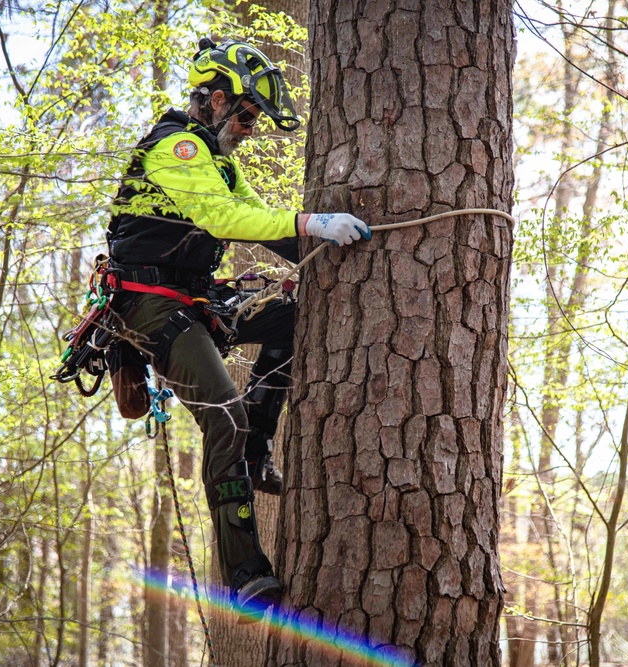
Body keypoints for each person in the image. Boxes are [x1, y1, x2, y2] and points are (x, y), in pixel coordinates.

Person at [105, 37, 370, 612]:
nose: (250, 128)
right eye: (247, 115)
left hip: (195, 300)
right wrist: (313, 220)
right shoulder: (175, 147)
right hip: (151, 308)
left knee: (293, 322)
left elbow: (258, 219)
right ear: (218, 100)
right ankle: (245, 573)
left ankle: (256, 449)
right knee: (224, 415)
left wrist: (306, 250)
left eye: (254, 119)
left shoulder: (217, 158)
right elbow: (222, 218)